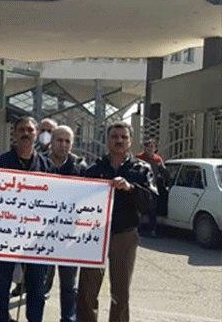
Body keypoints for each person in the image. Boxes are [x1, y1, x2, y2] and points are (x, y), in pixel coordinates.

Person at [77, 121, 157, 322]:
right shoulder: (94, 169)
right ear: (107, 140)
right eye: (114, 136)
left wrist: (131, 188)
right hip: (94, 235)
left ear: (130, 141)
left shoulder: (142, 169)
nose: (119, 140)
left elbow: (151, 202)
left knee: (120, 293)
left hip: (124, 235)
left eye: (123, 137)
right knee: (87, 290)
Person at [0, 116, 53, 322]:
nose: (26, 133)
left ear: (37, 134)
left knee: (36, 289)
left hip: (35, 239)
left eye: (30, 130)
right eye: (21, 130)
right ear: (14, 133)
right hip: (5, 235)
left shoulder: (46, 165)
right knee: (1, 287)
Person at [45, 126, 87, 322]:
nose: (63, 145)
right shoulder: (39, 163)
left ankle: (68, 318)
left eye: (67, 141)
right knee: (39, 284)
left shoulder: (81, 168)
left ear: (72, 144)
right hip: (42, 235)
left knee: (69, 285)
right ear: (51, 141)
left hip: (69, 236)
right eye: (59, 140)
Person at [136, 138, 170, 237]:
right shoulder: (139, 158)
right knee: (139, 208)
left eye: (152, 147)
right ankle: (137, 229)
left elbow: (164, 172)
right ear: (145, 148)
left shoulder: (158, 159)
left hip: (153, 187)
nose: (150, 149)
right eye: (148, 146)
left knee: (152, 209)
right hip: (141, 186)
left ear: (155, 148)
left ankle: (152, 230)